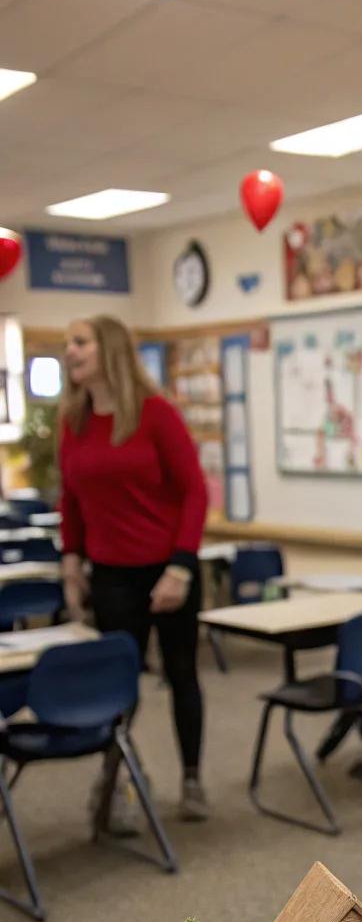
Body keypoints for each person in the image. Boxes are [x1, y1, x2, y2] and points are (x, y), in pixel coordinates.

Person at [59, 315, 209, 821]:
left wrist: (182, 566)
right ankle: (115, 780)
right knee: (118, 686)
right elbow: (71, 499)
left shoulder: (155, 413)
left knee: (182, 674)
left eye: (80, 342)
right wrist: (71, 562)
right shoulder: (73, 421)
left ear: (110, 349)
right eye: (68, 344)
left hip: (169, 568)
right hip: (111, 573)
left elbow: (195, 491)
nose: (70, 351)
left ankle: (192, 780)